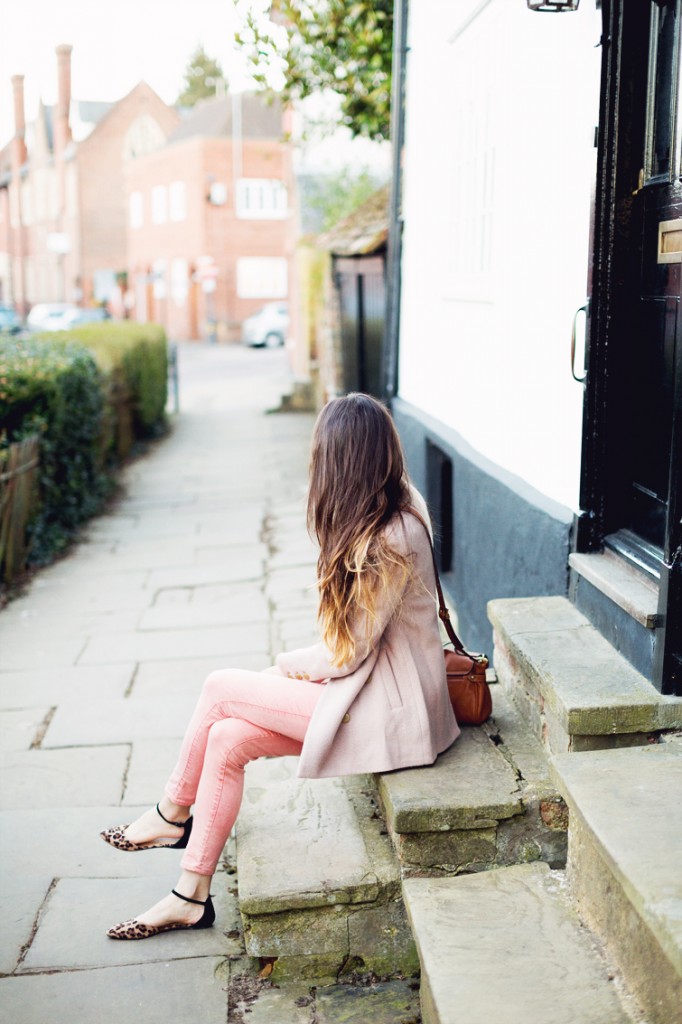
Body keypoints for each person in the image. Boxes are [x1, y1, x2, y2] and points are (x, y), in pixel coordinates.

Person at [101, 393, 460, 940]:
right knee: (226, 738)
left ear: (339, 463)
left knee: (221, 687)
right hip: (369, 690)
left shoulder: (393, 534)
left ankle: (171, 813)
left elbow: (348, 654)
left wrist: (284, 669)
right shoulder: (388, 508)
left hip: (389, 706)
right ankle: (189, 896)